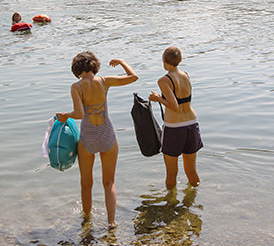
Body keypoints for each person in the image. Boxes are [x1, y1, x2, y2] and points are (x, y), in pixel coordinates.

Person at [56, 51, 138, 228]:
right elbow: (134, 77)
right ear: (94, 66)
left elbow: (79, 114)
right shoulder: (104, 81)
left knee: (86, 183)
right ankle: (111, 222)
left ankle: (86, 220)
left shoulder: (76, 87)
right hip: (107, 133)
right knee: (109, 182)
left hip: (88, 137)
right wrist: (122, 61)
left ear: (76, 69)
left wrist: (65, 116)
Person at [148, 47, 203, 189]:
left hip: (174, 127)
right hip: (191, 124)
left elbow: (174, 105)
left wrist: (158, 98)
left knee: (171, 173)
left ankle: (170, 205)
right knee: (191, 170)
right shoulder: (185, 75)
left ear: (164, 61)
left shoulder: (164, 80)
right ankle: (194, 198)